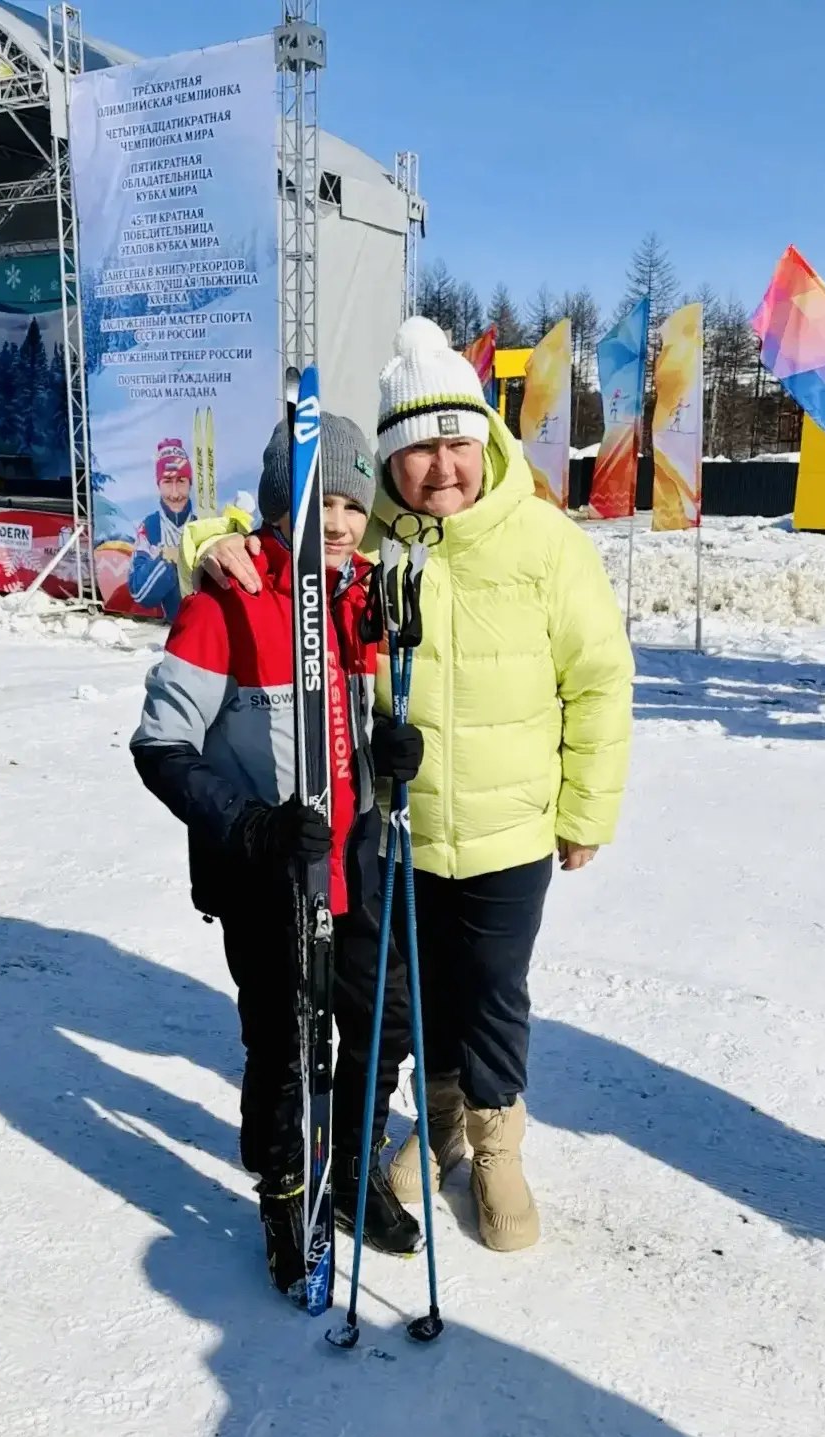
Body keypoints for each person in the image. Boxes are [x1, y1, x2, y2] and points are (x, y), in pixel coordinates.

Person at [181, 317, 635, 1254]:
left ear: (486, 439)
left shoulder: (547, 543)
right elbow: (289, 535)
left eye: (455, 442)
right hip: (399, 831)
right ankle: (429, 1133)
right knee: (408, 1001)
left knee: (494, 990)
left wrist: (586, 807)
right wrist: (213, 542)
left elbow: (598, 678)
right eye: (417, 449)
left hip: (511, 824)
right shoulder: (379, 541)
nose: (440, 467)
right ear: (392, 463)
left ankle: (496, 1143)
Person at [130, 412, 424, 1299]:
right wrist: (250, 826)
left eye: (350, 503)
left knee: (386, 1021)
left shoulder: (355, 592)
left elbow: (353, 718)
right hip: (271, 872)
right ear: (278, 506)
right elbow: (159, 743)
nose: (338, 522)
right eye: (319, 502)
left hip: (357, 858)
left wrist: (388, 748)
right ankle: (285, 1187)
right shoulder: (229, 597)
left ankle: (352, 1165)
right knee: (287, 1041)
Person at [128, 438, 196, 622]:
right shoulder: (150, 527)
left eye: (181, 481)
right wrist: (166, 563)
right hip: (172, 632)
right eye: (167, 482)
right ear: (158, 485)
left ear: (190, 483)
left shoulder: (202, 522)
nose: (175, 493)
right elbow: (139, 593)